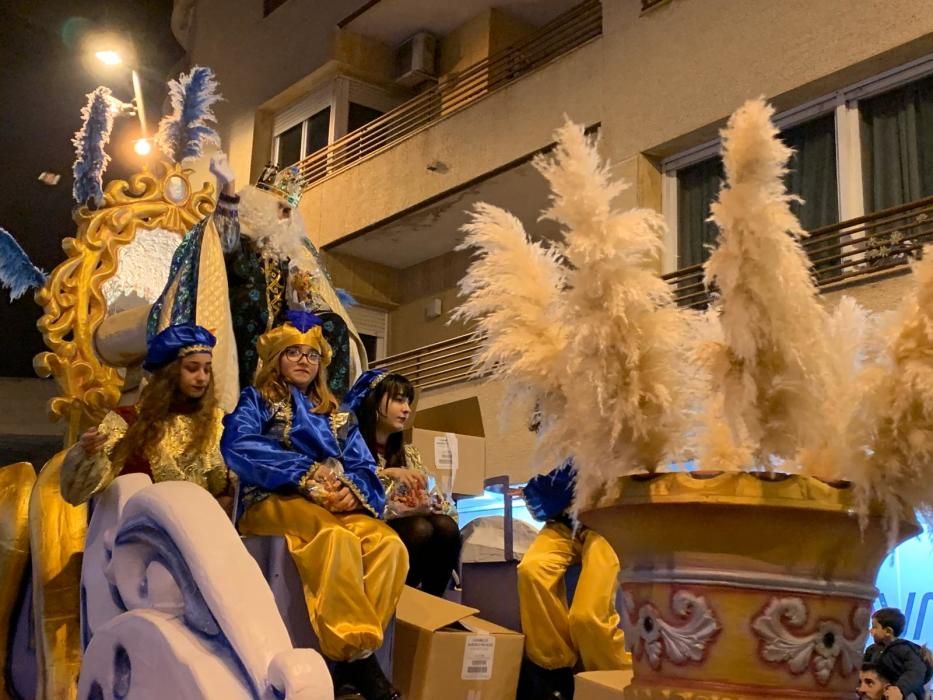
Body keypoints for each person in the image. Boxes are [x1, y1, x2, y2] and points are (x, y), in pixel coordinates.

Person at [220, 310, 406, 700]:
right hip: (270, 500)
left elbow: (362, 465)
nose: (304, 361)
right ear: (276, 359)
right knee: (333, 538)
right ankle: (358, 660)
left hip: (333, 505)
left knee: (389, 546)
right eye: (293, 352)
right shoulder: (257, 401)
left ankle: (350, 656)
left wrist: (353, 490)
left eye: (312, 355)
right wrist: (305, 473)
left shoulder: (337, 415)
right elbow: (239, 446)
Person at [207, 155, 365, 395]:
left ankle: (329, 406)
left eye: (289, 212)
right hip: (239, 319)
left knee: (335, 324)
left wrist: (303, 298)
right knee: (252, 300)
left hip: (282, 325)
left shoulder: (292, 255)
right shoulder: (240, 242)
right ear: (259, 208)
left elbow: (309, 300)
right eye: (281, 209)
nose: (285, 218)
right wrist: (228, 187)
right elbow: (224, 238)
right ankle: (243, 393)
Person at [60, 324, 232, 508]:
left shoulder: (219, 422)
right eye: (192, 368)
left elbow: (229, 489)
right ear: (170, 372)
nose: (202, 378)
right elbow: (75, 494)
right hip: (145, 532)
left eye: (207, 369)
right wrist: (88, 452)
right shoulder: (126, 421)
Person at [516, 459, 630, 700]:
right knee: (532, 570)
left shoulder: (617, 428)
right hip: (566, 522)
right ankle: (555, 672)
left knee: (586, 616)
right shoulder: (558, 427)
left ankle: (614, 680)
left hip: (610, 518)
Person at [344, 369, 461, 597]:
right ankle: (399, 604)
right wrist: (388, 476)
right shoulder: (349, 448)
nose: (407, 409)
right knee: (420, 528)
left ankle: (430, 605)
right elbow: (349, 493)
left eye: (408, 401)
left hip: (406, 536)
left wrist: (430, 503)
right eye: (398, 400)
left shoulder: (410, 455)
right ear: (372, 401)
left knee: (445, 525)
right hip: (362, 535)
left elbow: (444, 504)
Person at [864, 607, 933, 700]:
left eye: (874, 627)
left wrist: (899, 689)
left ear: (888, 631)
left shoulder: (904, 649)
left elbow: (915, 671)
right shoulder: (872, 650)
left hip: (905, 694)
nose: (871, 631)